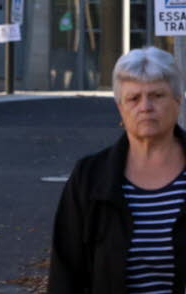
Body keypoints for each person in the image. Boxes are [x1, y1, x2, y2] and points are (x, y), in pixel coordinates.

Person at [49, 47, 186, 293]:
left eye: (157, 95)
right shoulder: (90, 178)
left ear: (178, 100)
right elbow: (66, 273)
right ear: (120, 107)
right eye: (134, 98)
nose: (145, 107)